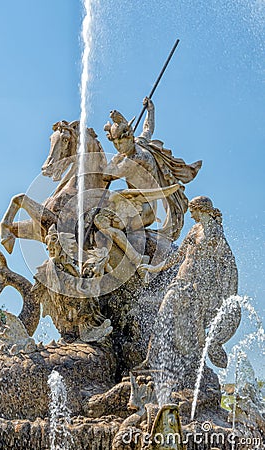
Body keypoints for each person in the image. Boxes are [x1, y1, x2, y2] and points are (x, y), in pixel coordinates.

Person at [138, 196, 240, 369]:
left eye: (192, 211)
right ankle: (150, 360)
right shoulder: (194, 229)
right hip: (180, 280)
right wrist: (154, 268)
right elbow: (178, 256)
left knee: (195, 327)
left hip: (199, 287)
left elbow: (227, 263)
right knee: (163, 314)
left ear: (200, 209)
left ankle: (198, 366)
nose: (191, 215)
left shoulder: (215, 234)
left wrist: (224, 292)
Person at [103, 98, 202, 240]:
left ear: (129, 136)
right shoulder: (140, 142)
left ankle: (134, 256)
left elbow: (106, 175)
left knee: (108, 223)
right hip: (133, 201)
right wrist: (151, 110)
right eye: (115, 143)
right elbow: (148, 129)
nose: (118, 147)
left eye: (121, 142)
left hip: (144, 207)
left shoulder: (135, 159)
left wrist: (115, 159)